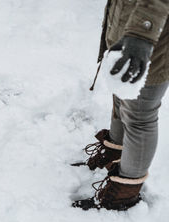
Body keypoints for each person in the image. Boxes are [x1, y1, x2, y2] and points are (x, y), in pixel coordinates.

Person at [72, 0, 169, 210]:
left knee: (140, 115)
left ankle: (124, 192)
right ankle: (114, 152)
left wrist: (141, 35)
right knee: (120, 94)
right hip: (126, 28)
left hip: (154, 41)